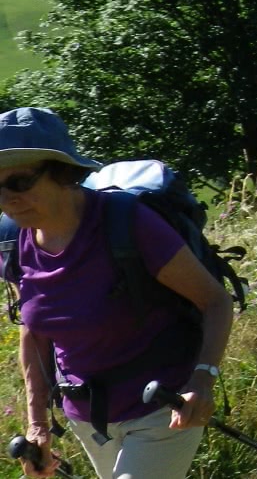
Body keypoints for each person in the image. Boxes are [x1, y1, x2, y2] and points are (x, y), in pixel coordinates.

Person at [0, 107, 233, 479]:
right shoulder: (12, 242)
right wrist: (37, 424)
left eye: (19, 182)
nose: (7, 198)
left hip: (162, 404)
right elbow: (35, 329)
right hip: (88, 417)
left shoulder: (128, 223)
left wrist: (202, 380)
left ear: (62, 173)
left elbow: (215, 301)